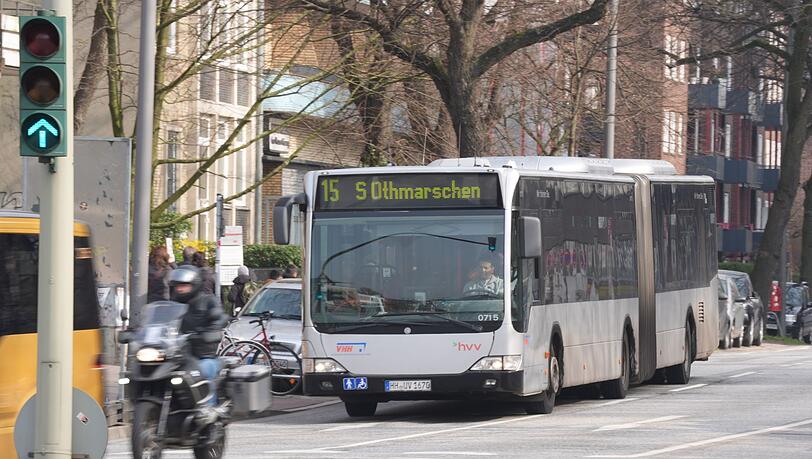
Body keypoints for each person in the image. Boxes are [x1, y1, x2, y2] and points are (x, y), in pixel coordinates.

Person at [170, 265, 227, 407]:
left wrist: (211, 332)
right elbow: (160, 321)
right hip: (179, 355)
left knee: (203, 371)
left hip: (203, 354)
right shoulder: (173, 304)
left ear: (194, 284)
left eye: (184, 285)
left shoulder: (209, 301)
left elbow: (220, 318)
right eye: (177, 286)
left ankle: (208, 408)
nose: (180, 289)